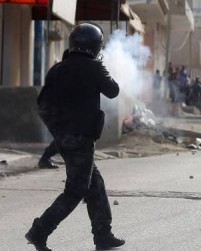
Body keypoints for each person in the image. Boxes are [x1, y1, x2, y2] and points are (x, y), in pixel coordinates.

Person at [26, 23, 125, 251]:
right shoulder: (94, 67)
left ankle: (103, 234)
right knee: (76, 190)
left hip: (64, 139)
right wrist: (102, 67)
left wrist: (57, 130)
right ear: (95, 46)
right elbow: (113, 90)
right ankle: (39, 231)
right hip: (81, 139)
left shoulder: (58, 69)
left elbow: (42, 105)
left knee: (95, 184)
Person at [37, 49, 71, 170]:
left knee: (63, 134)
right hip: (49, 108)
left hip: (46, 106)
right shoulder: (64, 70)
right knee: (63, 135)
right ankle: (44, 159)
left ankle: (67, 159)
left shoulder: (58, 68)